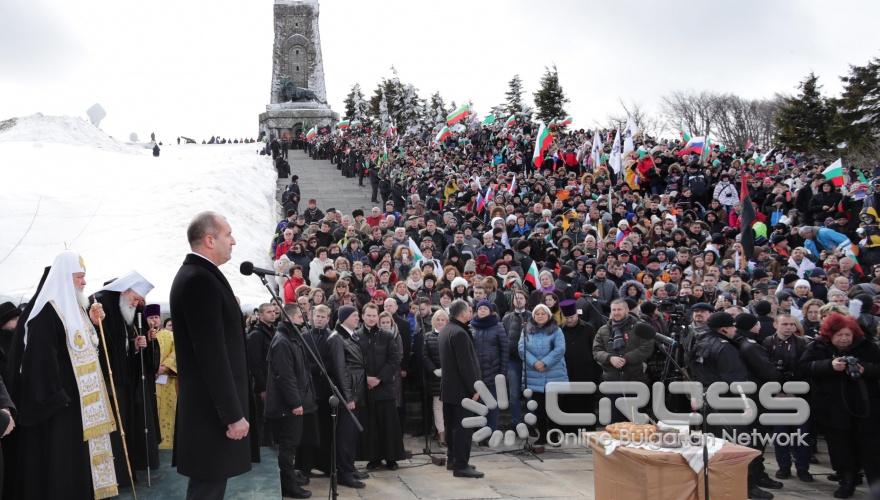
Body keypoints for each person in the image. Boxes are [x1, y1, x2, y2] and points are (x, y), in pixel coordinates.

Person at [13, 251, 118, 499]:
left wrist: (94, 324)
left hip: (81, 410)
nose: (84, 282)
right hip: (61, 410)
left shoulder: (77, 311)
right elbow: (39, 364)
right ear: (64, 278)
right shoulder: (46, 314)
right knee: (62, 470)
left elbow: (87, 351)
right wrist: (60, 399)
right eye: (80, 277)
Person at [170, 211, 253, 499]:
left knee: (210, 489)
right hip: (212, 414)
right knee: (207, 490)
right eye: (228, 235)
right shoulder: (199, 280)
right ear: (209, 239)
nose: (233, 241)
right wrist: (232, 415)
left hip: (211, 411)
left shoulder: (202, 276)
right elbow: (211, 355)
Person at [799, 313, 880, 499]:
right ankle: (847, 481)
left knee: (871, 448)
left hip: (865, 406)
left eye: (847, 335)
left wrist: (865, 369)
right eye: (840, 335)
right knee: (840, 447)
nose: (844, 339)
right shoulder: (818, 347)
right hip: (833, 407)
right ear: (830, 335)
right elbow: (803, 368)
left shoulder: (867, 347)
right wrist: (829, 365)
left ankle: (875, 483)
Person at [91, 271, 160, 480]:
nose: (138, 303)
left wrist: (137, 346)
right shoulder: (100, 305)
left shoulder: (125, 311)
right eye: (136, 297)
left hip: (124, 383)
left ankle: (126, 472)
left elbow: (122, 347)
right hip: (106, 383)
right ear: (125, 290)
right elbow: (102, 346)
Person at [265, 303, 316, 499]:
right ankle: (288, 486)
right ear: (291, 318)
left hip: (295, 402)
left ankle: (290, 479)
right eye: (301, 317)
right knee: (287, 446)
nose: (303, 321)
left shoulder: (292, 338)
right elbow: (285, 377)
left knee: (292, 444)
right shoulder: (282, 341)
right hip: (286, 407)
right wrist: (295, 403)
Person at [439, 299, 484, 478]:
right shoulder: (459, 333)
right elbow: (465, 365)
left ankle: (452, 460)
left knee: (451, 428)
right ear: (463, 313)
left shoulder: (447, 330)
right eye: (469, 309)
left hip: (449, 389)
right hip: (461, 391)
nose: (471, 312)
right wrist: (474, 388)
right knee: (463, 429)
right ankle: (461, 465)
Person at [358, 304, 405, 470]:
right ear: (362, 316)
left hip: (384, 387)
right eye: (368, 315)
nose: (371, 318)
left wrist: (378, 378)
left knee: (389, 424)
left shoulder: (386, 336)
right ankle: (374, 458)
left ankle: (391, 458)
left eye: (374, 315)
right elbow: (355, 363)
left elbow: (394, 359)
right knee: (371, 425)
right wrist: (367, 379)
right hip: (366, 388)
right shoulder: (357, 336)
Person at [325, 305, 368, 489]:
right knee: (345, 435)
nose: (358, 318)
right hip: (347, 394)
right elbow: (340, 370)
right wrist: (348, 397)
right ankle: (344, 473)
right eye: (354, 315)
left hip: (357, 391)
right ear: (343, 318)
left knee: (351, 435)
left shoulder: (352, 335)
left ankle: (349, 467)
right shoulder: (336, 338)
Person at [592, 299, 654, 422]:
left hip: (634, 379)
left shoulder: (640, 327)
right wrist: (610, 358)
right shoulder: (603, 330)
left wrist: (626, 358)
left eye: (619, 309)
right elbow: (596, 351)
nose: (616, 312)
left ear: (626, 310)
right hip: (611, 381)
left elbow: (647, 348)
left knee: (636, 420)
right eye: (613, 310)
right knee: (615, 421)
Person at [519, 304, 568, 444]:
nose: (540, 316)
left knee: (554, 408)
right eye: (537, 313)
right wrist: (535, 363)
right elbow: (521, 349)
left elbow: (560, 349)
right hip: (534, 373)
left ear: (548, 315)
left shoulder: (556, 330)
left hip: (553, 373)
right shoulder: (526, 330)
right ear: (533, 316)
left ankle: (554, 436)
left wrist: (545, 362)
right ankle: (542, 436)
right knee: (538, 408)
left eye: (543, 313)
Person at [559, 299, 601, 432]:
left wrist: (596, 372)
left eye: (571, 317)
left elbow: (594, 350)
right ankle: (570, 431)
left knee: (586, 402)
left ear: (577, 315)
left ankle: (588, 430)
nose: (569, 320)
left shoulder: (588, 328)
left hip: (586, 371)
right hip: (567, 372)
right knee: (569, 402)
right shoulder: (560, 330)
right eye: (566, 318)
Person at [469, 300, 508, 432]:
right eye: (480, 309)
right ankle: (479, 431)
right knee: (477, 403)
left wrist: (502, 372)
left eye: (485, 308)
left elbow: (504, 349)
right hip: (475, 371)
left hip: (493, 371)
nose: (482, 310)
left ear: (491, 311)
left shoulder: (498, 326)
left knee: (492, 404)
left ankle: (490, 430)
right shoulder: (471, 326)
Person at [247, 303, 277, 447]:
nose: (273, 314)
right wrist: (262, 388)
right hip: (262, 386)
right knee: (262, 421)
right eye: (268, 312)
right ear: (260, 315)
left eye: (274, 311)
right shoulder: (256, 335)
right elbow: (255, 364)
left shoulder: (274, 332)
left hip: (274, 384)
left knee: (271, 421)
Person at [502, 289, 531, 426]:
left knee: (530, 395)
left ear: (525, 300)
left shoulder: (532, 316)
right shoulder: (507, 318)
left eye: (521, 298)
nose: (518, 300)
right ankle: (516, 423)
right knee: (514, 394)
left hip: (530, 362)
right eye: (516, 298)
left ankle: (531, 424)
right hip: (512, 361)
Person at [422, 309, 447, 445]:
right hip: (435, 378)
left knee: (449, 408)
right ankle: (441, 434)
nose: (440, 322)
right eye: (438, 319)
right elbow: (425, 356)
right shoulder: (428, 336)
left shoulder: (452, 335)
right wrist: (434, 370)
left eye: (443, 319)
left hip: (450, 377)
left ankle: (448, 434)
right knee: (438, 408)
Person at [153, 314, 177, 450]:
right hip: (151, 380)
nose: (154, 320)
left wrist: (165, 366)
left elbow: (176, 353)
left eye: (156, 317)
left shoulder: (169, 336)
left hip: (167, 380)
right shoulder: (144, 335)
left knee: (168, 410)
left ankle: (168, 442)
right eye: (151, 317)